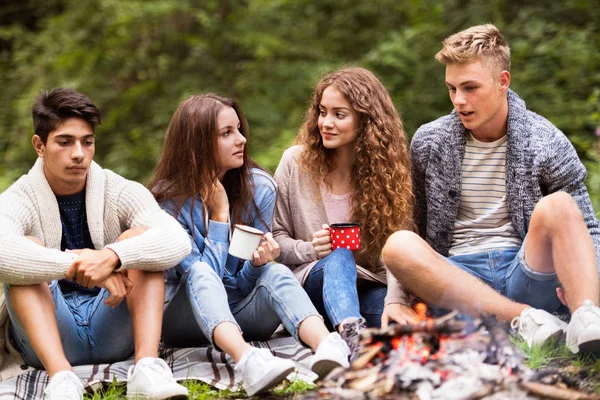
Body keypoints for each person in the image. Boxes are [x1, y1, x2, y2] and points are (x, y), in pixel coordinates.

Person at [382, 24, 600, 355]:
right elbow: (413, 224)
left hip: (525, 273)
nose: (459, 100)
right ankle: (524, 320)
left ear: (503, 82)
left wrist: (588, 286)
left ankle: (586, 322)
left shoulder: (546, 140)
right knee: (397, 245)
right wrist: (396, 297)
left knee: (561, 205)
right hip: (458, 281)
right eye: (452, 89)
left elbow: (589, 229)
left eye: (470, 88)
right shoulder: (430, 142)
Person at [148, 94, 350, 396]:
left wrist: (256, 266)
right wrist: (219, 214)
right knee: (200, 272)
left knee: (275, 272)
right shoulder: (165, 205)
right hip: (184, 321)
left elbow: (239, 282)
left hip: (242, 311)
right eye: (227, 133)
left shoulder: (259, 188)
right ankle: (247, 361)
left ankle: (327, 347)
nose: (241, 139)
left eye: (239, 129)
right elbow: (205, 280)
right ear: (197, 142)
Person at [0, 88, 191, 400]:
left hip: (111, 324)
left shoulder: (118, 189)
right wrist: (79, 266)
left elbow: (176, 240)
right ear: (40, 145)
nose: (79, 153)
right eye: (65, 142)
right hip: (51, 336)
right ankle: (61, 379)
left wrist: (114, 256)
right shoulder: (19, 198)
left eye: (87, 142)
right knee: (27, 248)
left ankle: (147, 368)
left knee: (139, 241)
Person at [272, 67, 415, 357]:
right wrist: (310, 249)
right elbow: (274, 239)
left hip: (367, 287)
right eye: (322, 112)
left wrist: (395, 300)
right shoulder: (295, 163)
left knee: (399, 333)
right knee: (339, 256)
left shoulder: (388, 177)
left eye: (339, 114)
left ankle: (357, 343)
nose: (325, 122)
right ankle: (350, 337)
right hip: (310, 289)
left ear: (366, 121)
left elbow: (402, 251)